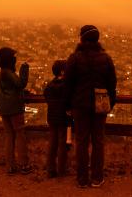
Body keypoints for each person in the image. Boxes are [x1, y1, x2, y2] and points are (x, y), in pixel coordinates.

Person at [65, 25, 117, 188]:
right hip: (100, 105)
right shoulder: (106, 58)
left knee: (81, 141)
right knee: (98, 141)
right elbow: (112, 85)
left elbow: (68, 84)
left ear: (82, 38)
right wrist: (110, 104)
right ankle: (97, 177)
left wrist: (68, 105)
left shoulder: (74, 58)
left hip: (80, 106)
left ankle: (82, 178)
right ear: (97, 39)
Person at [0, 47, 33, 175]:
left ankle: (10, 166)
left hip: (4, 108)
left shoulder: (2, 73)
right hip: (14, 108)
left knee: (9, 136)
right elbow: (20, 83)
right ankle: (24, 164)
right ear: (9, 60)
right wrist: (25, 67)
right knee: (20, 135)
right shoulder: (7, 73)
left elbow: (11, 88)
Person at [44, 59, 71, 178]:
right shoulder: (66, 86)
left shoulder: (49, 86)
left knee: (52, 143)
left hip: (51, 117)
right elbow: (69, 101)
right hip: (63, 117)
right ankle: (61, 170)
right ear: (62, 71)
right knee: (62, 144)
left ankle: (50, 169)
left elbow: (47, 99)